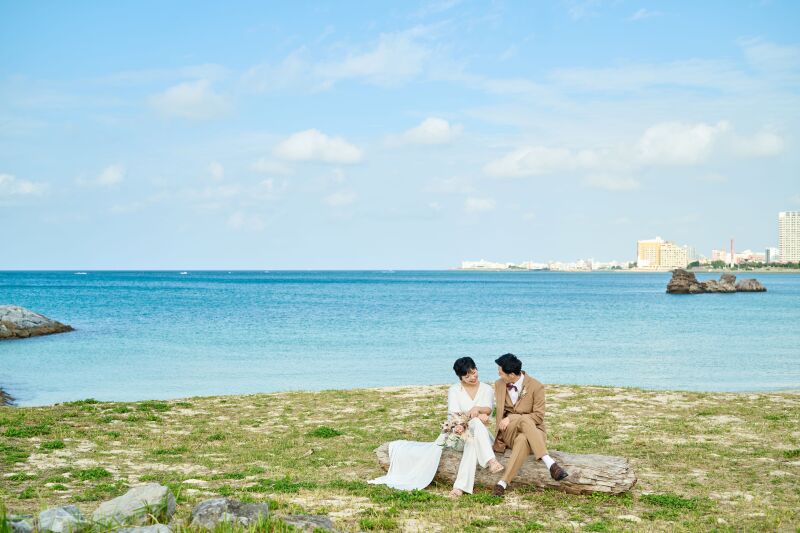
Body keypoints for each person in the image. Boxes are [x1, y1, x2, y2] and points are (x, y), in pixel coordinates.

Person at [368, 357, 503, 495]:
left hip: (483, 436)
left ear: (476, 368)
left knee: (475, 431)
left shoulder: (486, 389)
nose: (472, 377)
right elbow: (454, 416)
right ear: (460, 377)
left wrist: (477, 408)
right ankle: (491, 461)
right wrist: (472, 415)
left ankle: (459, 488)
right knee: (472, 436)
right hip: (459, 435)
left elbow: (488, 410)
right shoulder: (455, 390)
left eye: (473, 372)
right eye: (467, 376)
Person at [491, 353, 568, 497]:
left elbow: (538, 417)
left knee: (523, 439)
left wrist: (513, 417)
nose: (498, 374)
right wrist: (513, 418)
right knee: (523, 420)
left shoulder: (536, 386)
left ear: (512, 375)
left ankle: (502, 483)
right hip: (508, 431)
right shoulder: (499, 384)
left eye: (501, 372)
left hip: (534, 432)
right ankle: (550, 463)